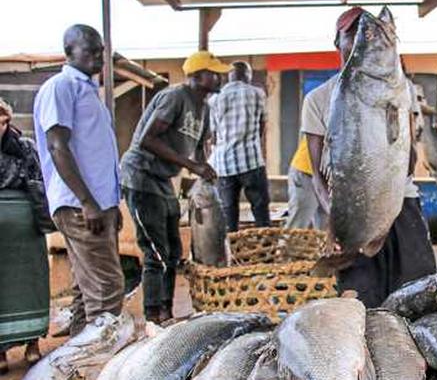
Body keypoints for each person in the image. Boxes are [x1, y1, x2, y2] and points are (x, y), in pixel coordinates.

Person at [302, 7, 437, 307]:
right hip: (353, 211)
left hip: (401, 201)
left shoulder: (403, 90)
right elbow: (317, 175)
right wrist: (338, 222)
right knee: (361, 303)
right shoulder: (317, 100)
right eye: (353, 33)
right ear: (337, 42)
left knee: (418, 295)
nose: (359, 38)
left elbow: (409, 161)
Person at [120, 51, 227, 323]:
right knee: (156, 251)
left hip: (164, 180)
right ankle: (153, 315)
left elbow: (201, 148)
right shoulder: (175, 97)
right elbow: (148, 140)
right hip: (141, 176)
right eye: (214, 72)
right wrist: (192, 167)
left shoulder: (205, 107)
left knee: (174, 251)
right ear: (197, 76)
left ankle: (166, 309)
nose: (219, 77)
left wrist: (205, 168)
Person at [32, 25, 125, 336]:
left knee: (87, 294)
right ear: (69, 52)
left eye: (101, 52)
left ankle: (77, 362)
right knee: (107, 290)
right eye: (91, 52)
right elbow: (57, 145)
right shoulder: (60, 87)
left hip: (97, 204)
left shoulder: (88, 91)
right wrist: (88, 202)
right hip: (79, 204)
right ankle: (99, 361)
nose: (99, 58)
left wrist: (109, 206)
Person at [0, 100, 46, 373]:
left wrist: (42, 220)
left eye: (2, 122)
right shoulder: (26, 147)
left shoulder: (25, 147)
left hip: (25, 225)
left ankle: (32, 345)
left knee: (32, 281)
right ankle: (3, 351)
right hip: (17, 222)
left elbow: (38, 182)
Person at [208, 61, 271, 231]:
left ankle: (232, 252)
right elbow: (262, 127)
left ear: (230, 76)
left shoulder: (214, 99)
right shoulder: (257, 93)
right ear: (247, 76)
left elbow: (213, 136)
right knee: (260, 210)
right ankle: (265, 252)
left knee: (228, 214)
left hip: (224, 165)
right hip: (251, 161)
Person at [284, 136, 327, 230]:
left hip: (327, 177)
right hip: (306, 172)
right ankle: (287, 245)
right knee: (297, 227)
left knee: (325, 231)